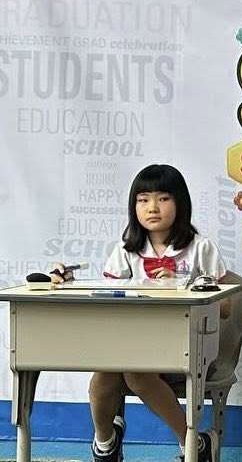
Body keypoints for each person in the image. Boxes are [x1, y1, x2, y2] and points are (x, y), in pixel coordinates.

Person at [51, 163, 226, 462]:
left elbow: (227, 306)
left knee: (135, 372)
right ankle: (106, 444)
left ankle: (191, 445)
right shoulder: (125, 250)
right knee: (105, 372)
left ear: (180, 203)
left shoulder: (200, 248)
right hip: (130, 340)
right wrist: (66, 281)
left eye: (163, 198)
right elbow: (107, 299)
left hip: (184, 342)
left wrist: (181, 287)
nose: (152, 207)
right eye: (143, 200)